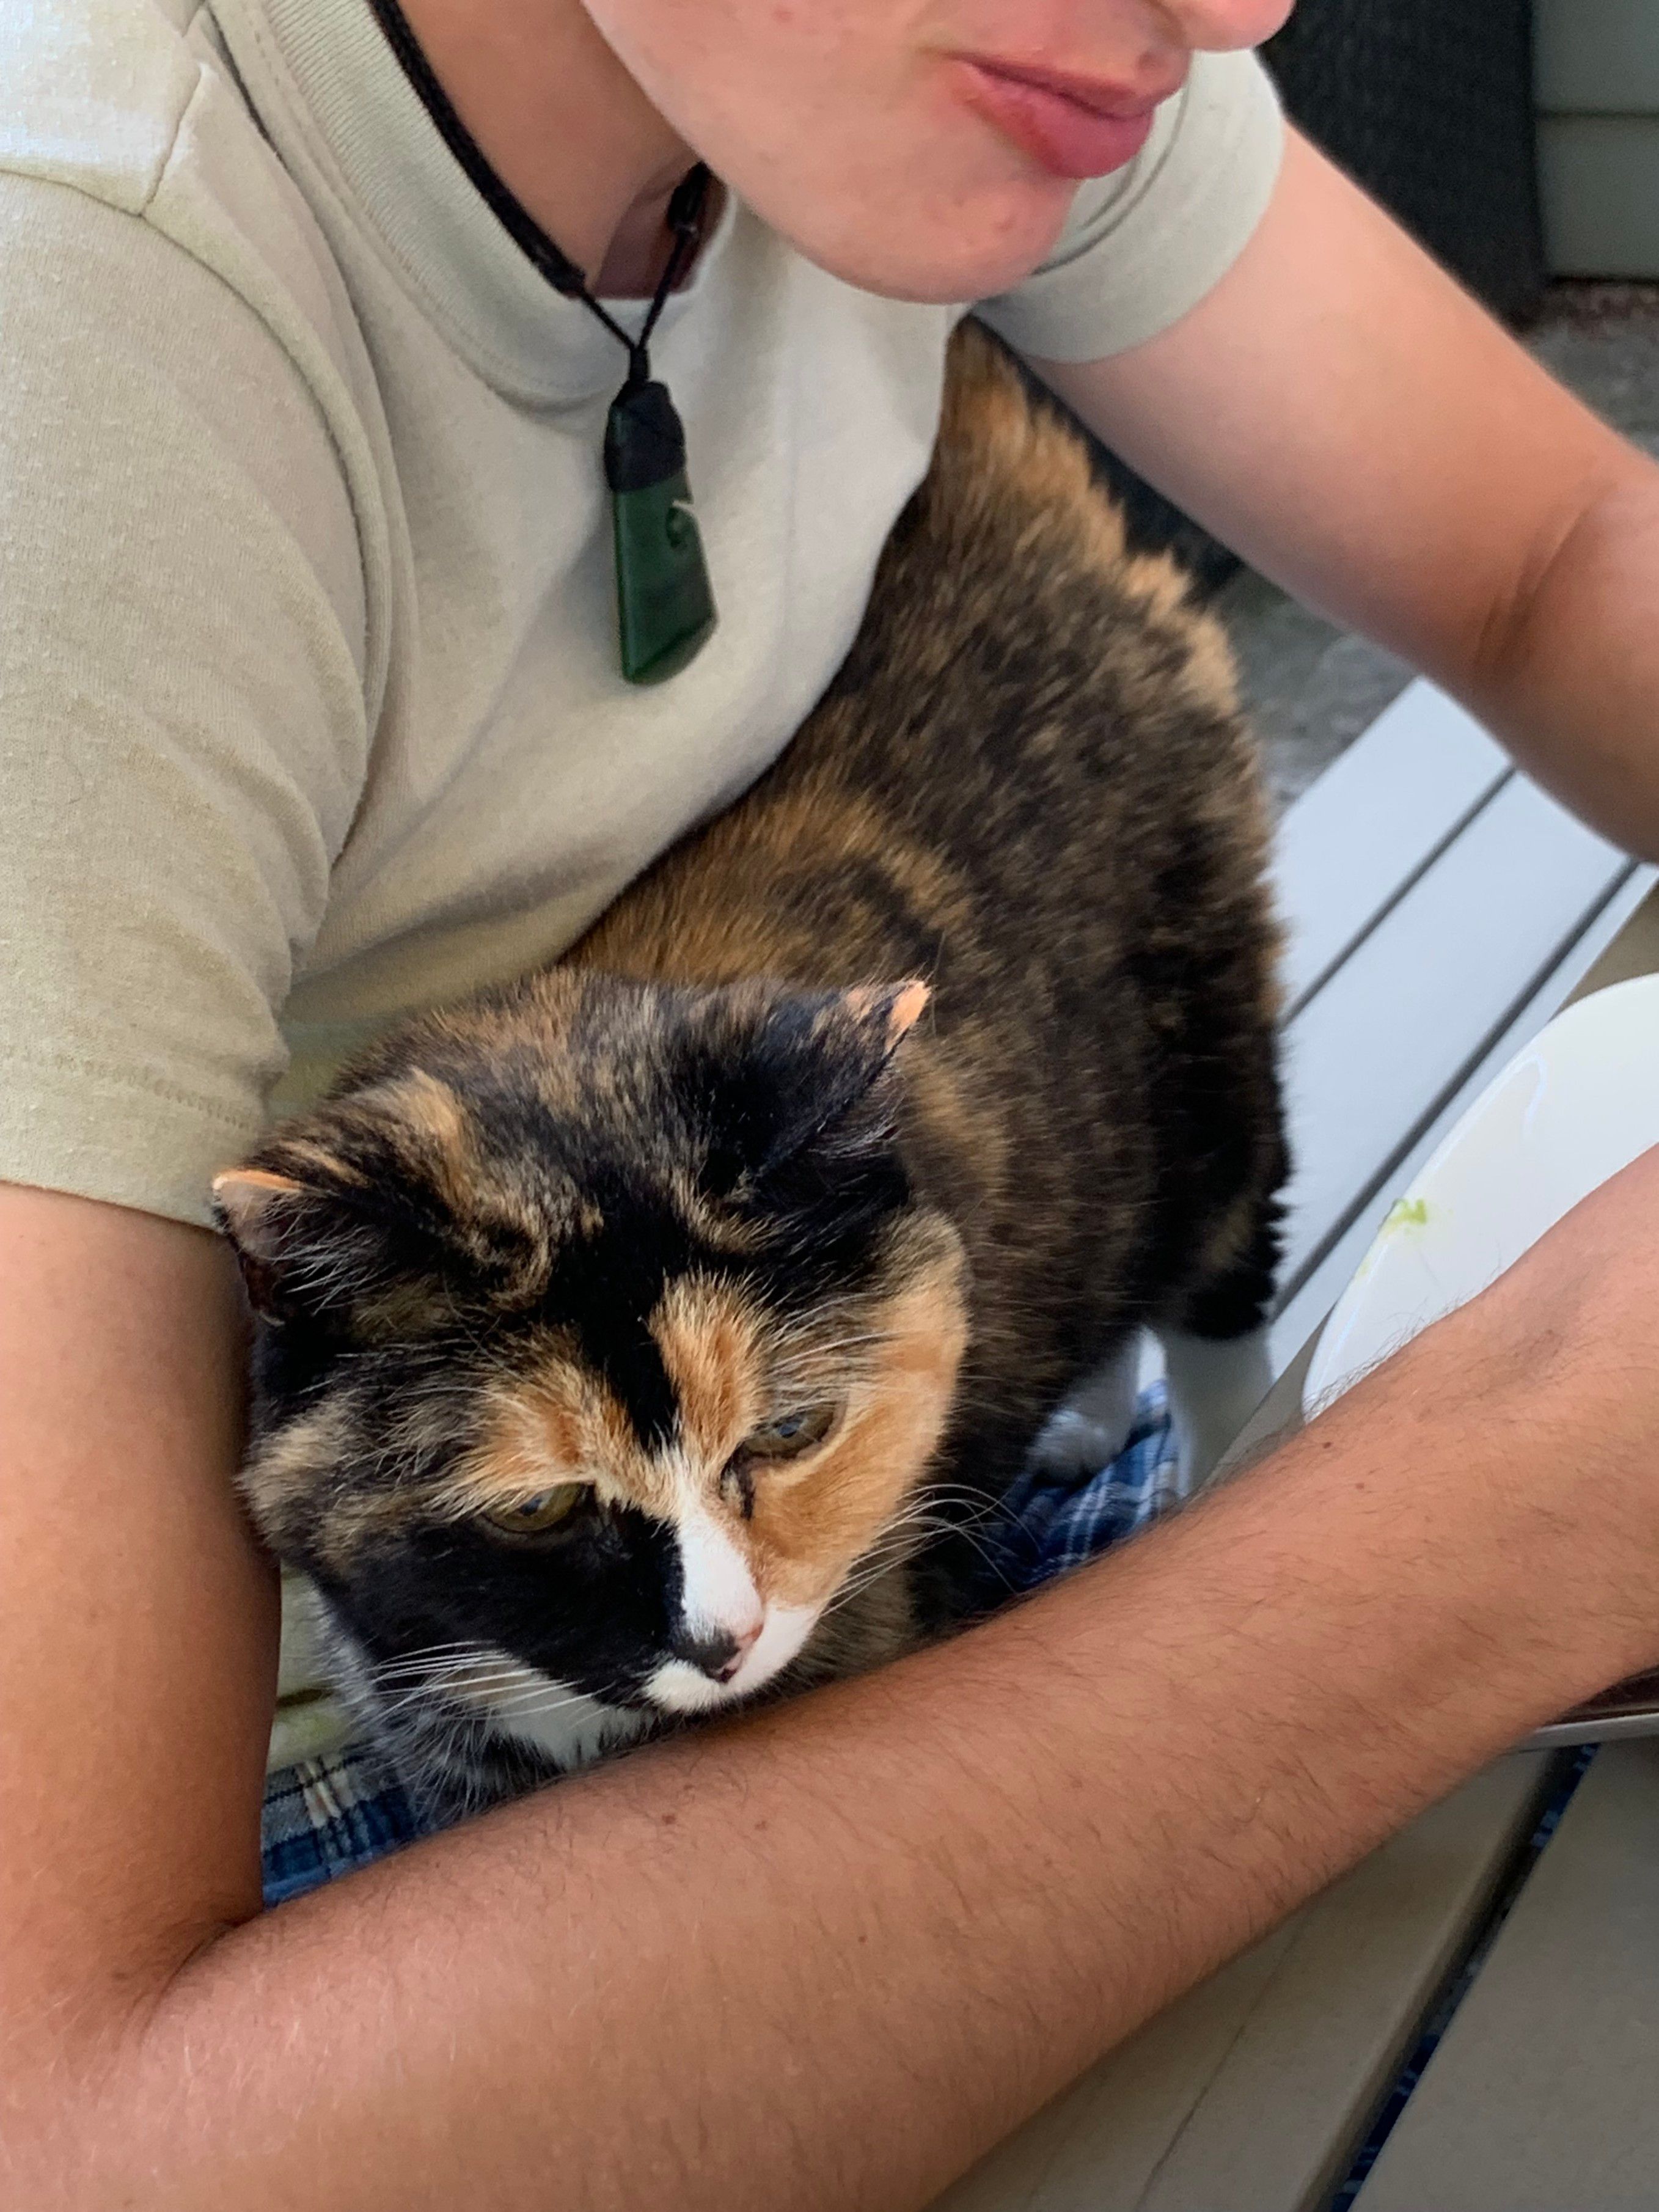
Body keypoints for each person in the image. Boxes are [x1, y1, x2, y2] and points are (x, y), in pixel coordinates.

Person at [5, 0, 1659, 2203]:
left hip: (902, 1482)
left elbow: (1546, 553)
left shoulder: (928, 64)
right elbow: (82, 2130)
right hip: (384, 1853)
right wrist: (1519, 1490)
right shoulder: (86, 345)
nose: (1243, 5)